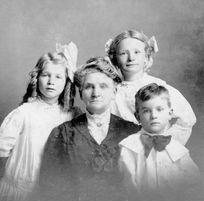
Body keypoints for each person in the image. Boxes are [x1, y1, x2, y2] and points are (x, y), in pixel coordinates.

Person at [39, 56, 140, 193]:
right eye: (88, 87)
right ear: (81, 93)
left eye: (103, 86)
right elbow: (50, 185)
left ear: (114, 92)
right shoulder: (63, 133)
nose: (96, 93)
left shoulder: (132, 131)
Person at [0, 42, 80, 201]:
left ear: (66, 82)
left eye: (58, 77)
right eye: (46, 75)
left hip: (53, 192)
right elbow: (1, 150)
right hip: (20, 190)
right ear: (37, 78)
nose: (51, 82)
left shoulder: (71, 116)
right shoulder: (23, 113)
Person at [105, 29, 196, 145]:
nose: (131, 58)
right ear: (115, 59)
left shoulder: (158, 87)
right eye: (123, 53)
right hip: (126, 152)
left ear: (146, 57)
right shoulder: (113, 92)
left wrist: (165, 143)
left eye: (137, 52)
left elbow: (187, 118)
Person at [119, 83, 199, 192]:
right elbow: (127, 187)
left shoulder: (177, 149)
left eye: (159, 109)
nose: (153, 116)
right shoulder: (129, 147)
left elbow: (194, 182)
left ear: (170, 113)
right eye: (146, 111)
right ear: (137, 116)